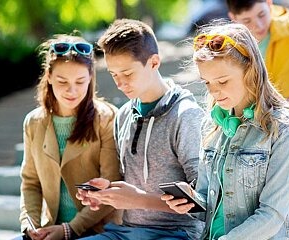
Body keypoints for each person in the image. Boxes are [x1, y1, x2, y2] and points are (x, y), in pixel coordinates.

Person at [161, 22, 289, 239]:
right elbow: (208, 202)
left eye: (222, 81)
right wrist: (191, 200)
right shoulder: (211, 125)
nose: (214, 91)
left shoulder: (284, 130)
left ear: (250, 70)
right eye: (207, 82)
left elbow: (273, 214)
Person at [75, 19, 205, 240]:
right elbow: (131, 181)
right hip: (126, 231)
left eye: (127, 74)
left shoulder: (186, 115)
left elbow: (203, 201)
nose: (120, 83)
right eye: (114, 74)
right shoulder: (124, 114)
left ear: (154, 62)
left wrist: (137, 199)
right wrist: (107, 193)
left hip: (177, 234)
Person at [17, 34, 122, 240]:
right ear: (48, 76)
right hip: (51, 227)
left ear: (91, 77)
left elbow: (111, 182)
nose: (71, 90)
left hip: (100, 230)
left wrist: (69, 229)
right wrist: (30, 224)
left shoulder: (107, 118)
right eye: (62, 81)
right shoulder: (33, 122)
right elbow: (30, 183)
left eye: (80, 81)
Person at [225, 0, 289, 126]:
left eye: (261, 15)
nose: (258, 25)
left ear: (269, 4)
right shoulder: (232, 45)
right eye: (247, 21)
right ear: (233, 18)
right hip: (267, 125)